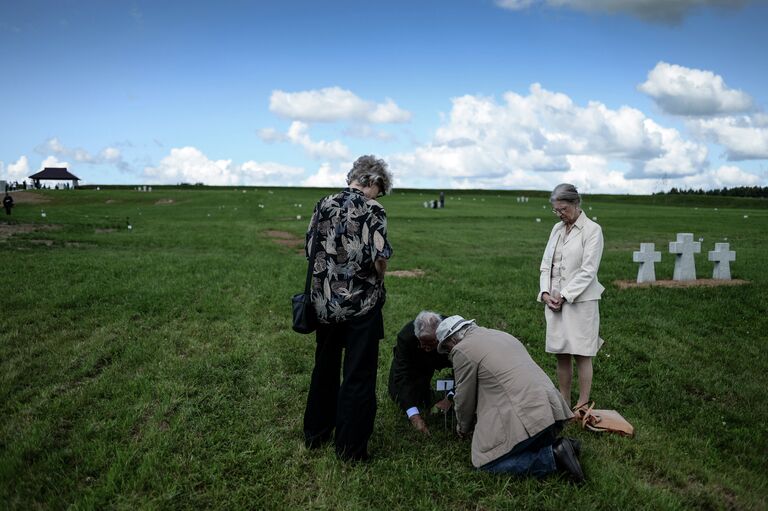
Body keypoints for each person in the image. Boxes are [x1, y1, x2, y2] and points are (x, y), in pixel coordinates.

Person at [303, 155, 394, 462]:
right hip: (361, 306)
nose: (377, 196)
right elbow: (380, 256)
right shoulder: (373, 210)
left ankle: (315, 434)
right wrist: (377, 278)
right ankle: (350, 449)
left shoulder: (323, 203)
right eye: (378, 190)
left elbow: (309, 248)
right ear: (371, 181)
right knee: (358, 375)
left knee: (324, 367)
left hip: (324, 303)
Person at [436, 315, 584, 482]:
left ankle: (553, 456)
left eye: (447, 348)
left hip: (526, 416)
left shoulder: (462, 350)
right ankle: (564, 446)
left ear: (452, 340)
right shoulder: (500, 334)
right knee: (528, 443)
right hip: (552, 413)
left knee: (484, 464)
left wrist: (463, 428)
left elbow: (464, 398)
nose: (449, 353)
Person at [538, 183, 605, 410]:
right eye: (556, 210)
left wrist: (565, 296)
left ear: (576, 204)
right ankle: (563, 399)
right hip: (555, 300)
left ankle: (582, 403)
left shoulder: (592, 230)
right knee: (561, 352)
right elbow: (546, 264)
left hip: (581, 301)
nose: (559, 214)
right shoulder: (556, 229)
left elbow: (588, 270)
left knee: (582, 352)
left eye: (563, 209)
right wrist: (545, 293)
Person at [388, 311, 452, 435]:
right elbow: (401, 375)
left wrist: (450, 398)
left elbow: (465, 371)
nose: (427, 348)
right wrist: (414, 416)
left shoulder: (453, 334)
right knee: (396, 393)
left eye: (431, 343)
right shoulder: (405, 337)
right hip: (417, 361)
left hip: (444, 355)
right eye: (423, 343)